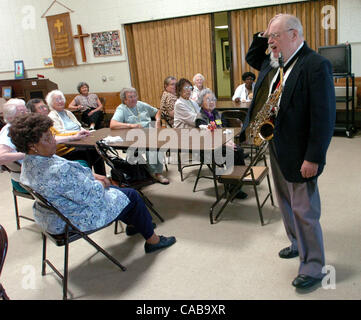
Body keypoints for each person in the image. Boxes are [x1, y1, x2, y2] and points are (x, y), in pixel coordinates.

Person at [244, 14, 336, 289]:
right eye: (269, 37)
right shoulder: (275, 63)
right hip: (277, 144)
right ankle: (296, 243)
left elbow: (324, 116)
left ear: (294, 35)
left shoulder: (316, 65)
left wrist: (314, 157)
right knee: (285, 202)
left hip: (300, 152)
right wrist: (265, 36)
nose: (271, 42)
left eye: (276, 37)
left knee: (304, 210)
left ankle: (314, 266)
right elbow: (252, 56)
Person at [8, 113, 176, 254]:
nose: (54, 140)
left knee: (120, 192)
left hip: (51, 217)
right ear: (32, 145)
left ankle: (134, 225)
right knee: (131, 194)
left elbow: (72, 181)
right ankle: (153, 241)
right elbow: (92, 196)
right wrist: (103, 182)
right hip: (73, 218)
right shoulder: (55, 170)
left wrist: (93, 176)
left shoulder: (28, 162)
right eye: (47, 138)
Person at [195, 88, 247, 199]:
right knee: (232, 153)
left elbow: (225, 130)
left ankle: (237, 180)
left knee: (238, 150)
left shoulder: (218, 114)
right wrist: (225, 143)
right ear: (201, 102)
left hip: (222, 144)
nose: (211, 102)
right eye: (208, 99)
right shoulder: (200, 118)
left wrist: (229, 141)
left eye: (213, 99)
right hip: (208, 149)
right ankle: (234, 187)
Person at [110, 87, 169, 184]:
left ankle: (157, 173)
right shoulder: (122, 109)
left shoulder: (141, 105)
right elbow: (113, 124)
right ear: (124, 100)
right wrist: (130, 125)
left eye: (135, 96)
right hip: (133, 136)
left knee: (155, 144)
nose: (134, 99)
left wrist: (158, 121)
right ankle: (149, 171)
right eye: (130, 97)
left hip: (148, 132)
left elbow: (157, 111)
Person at [46, 90, 106, 175]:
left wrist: (86, 131)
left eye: (61, 99)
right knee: (89, 152)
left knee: (98, 147)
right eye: (57, 100)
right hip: (68, 146)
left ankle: (101, 176)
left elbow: (78, 126)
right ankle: (89, 177)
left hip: (80, 139)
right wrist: (76, 134)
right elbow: (60, 134)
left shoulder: (68, 112)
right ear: (51, 103)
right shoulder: (51, 116)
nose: (60, 101)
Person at [26, 98, 90, 166]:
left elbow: (59, 134)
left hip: (65, 147)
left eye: (45, 106)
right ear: (34, 112)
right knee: (89, 151)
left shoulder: (46, 121)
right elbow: (53, 139)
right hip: (58, 153)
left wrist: (76, 134)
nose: (45, 109)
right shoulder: (36, 125)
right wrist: (74, 136)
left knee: (92, 150)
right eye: (41, 108)